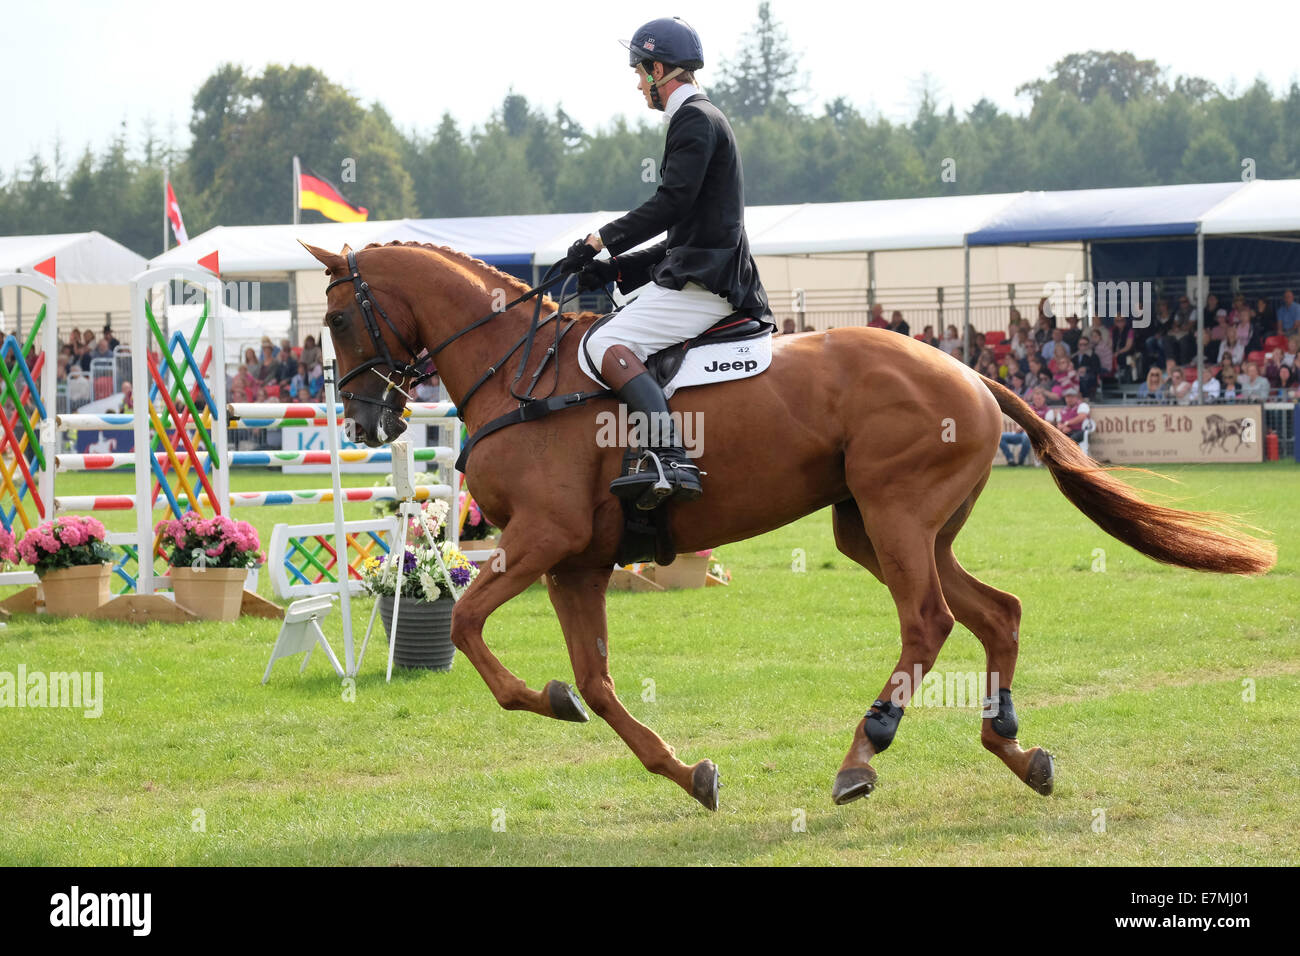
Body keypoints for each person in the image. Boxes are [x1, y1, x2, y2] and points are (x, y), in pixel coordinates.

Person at [560, 17, 768, 507]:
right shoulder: (699, 117)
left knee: (604, 341)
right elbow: (685, 235)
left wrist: (601, 239)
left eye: (638, 73)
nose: (637, 85)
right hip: (703, 272)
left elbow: (671, 202)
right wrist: (614, 268)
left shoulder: (694, 118)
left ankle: (671, 456)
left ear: (658, 70)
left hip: (711, 285)